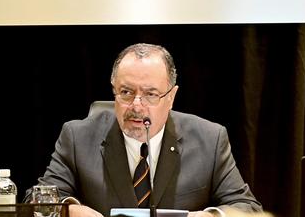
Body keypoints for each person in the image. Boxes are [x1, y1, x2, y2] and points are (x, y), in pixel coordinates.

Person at [25, 43, 264, 217]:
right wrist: (70, 210)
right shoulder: (77, 137)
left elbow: (247, 208)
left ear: (171, 97)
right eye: (126, 92)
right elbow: (35, 201)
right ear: (114, 91)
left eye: (150, 94)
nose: (136, 106)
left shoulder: (210, 139)